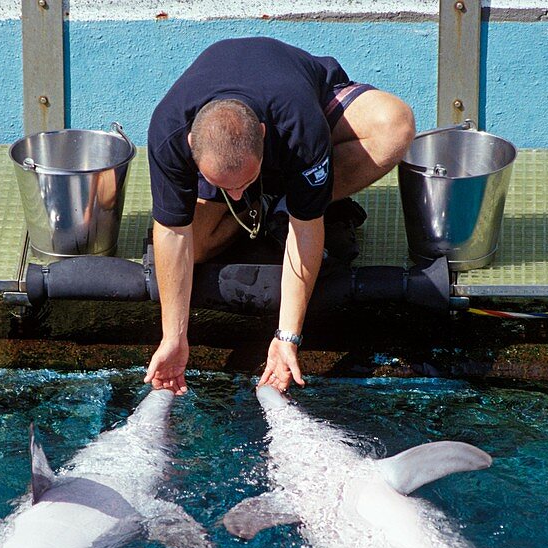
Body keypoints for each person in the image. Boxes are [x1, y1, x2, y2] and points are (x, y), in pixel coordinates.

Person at [143, 37, 415, 395]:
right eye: (229, 187)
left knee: (396, 125)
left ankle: (290, 200)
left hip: (309, 99)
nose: (236, 192)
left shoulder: (298, 124)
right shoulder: (169, 132)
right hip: (234, 151)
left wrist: (287, 337)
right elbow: (172, 233)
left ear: (263, 134)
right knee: (196, 245)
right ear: (191, 145)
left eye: (245, 183)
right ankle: (262, 203)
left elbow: (307, 232)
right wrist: (173, 337)